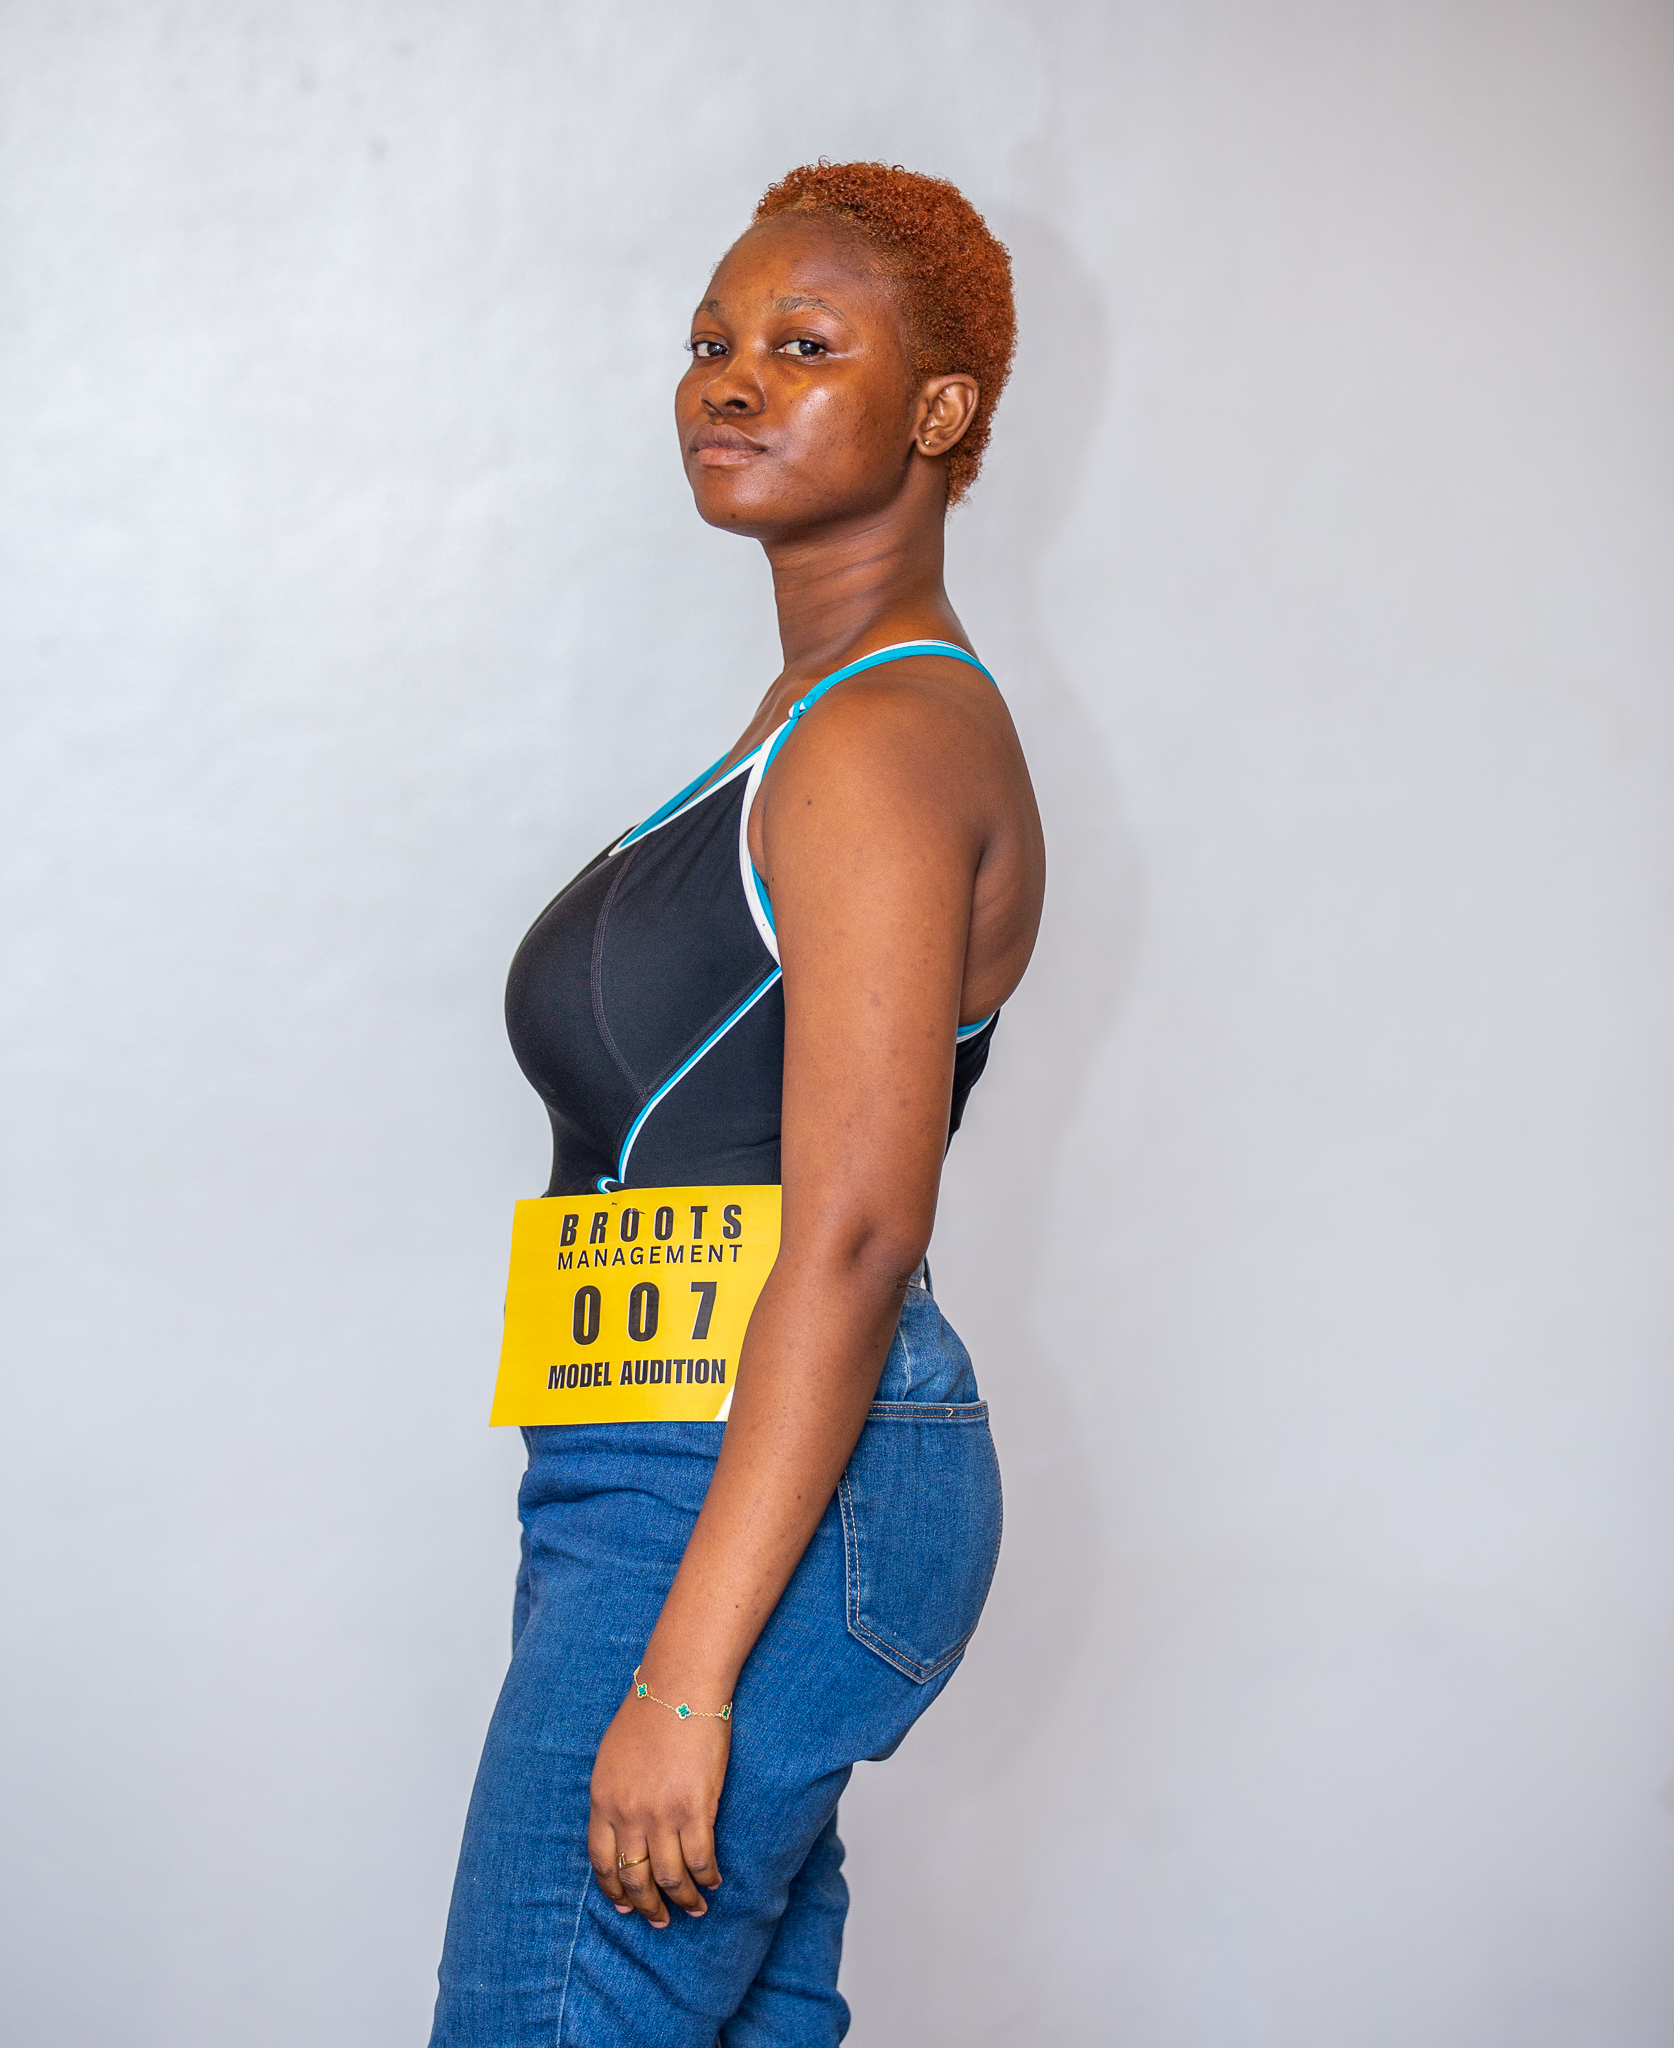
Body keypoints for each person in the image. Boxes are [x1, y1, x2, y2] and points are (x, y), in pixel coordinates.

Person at [430, 160, 1045, 2047]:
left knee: (544, 2014)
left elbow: (853, 1227)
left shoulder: (880, 739)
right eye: (711, 340)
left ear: (937, 412)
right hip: (670, 1458)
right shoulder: (812, 720)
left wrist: (686, 1676)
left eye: (803, 345)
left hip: (743, 1472)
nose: (730, 377)